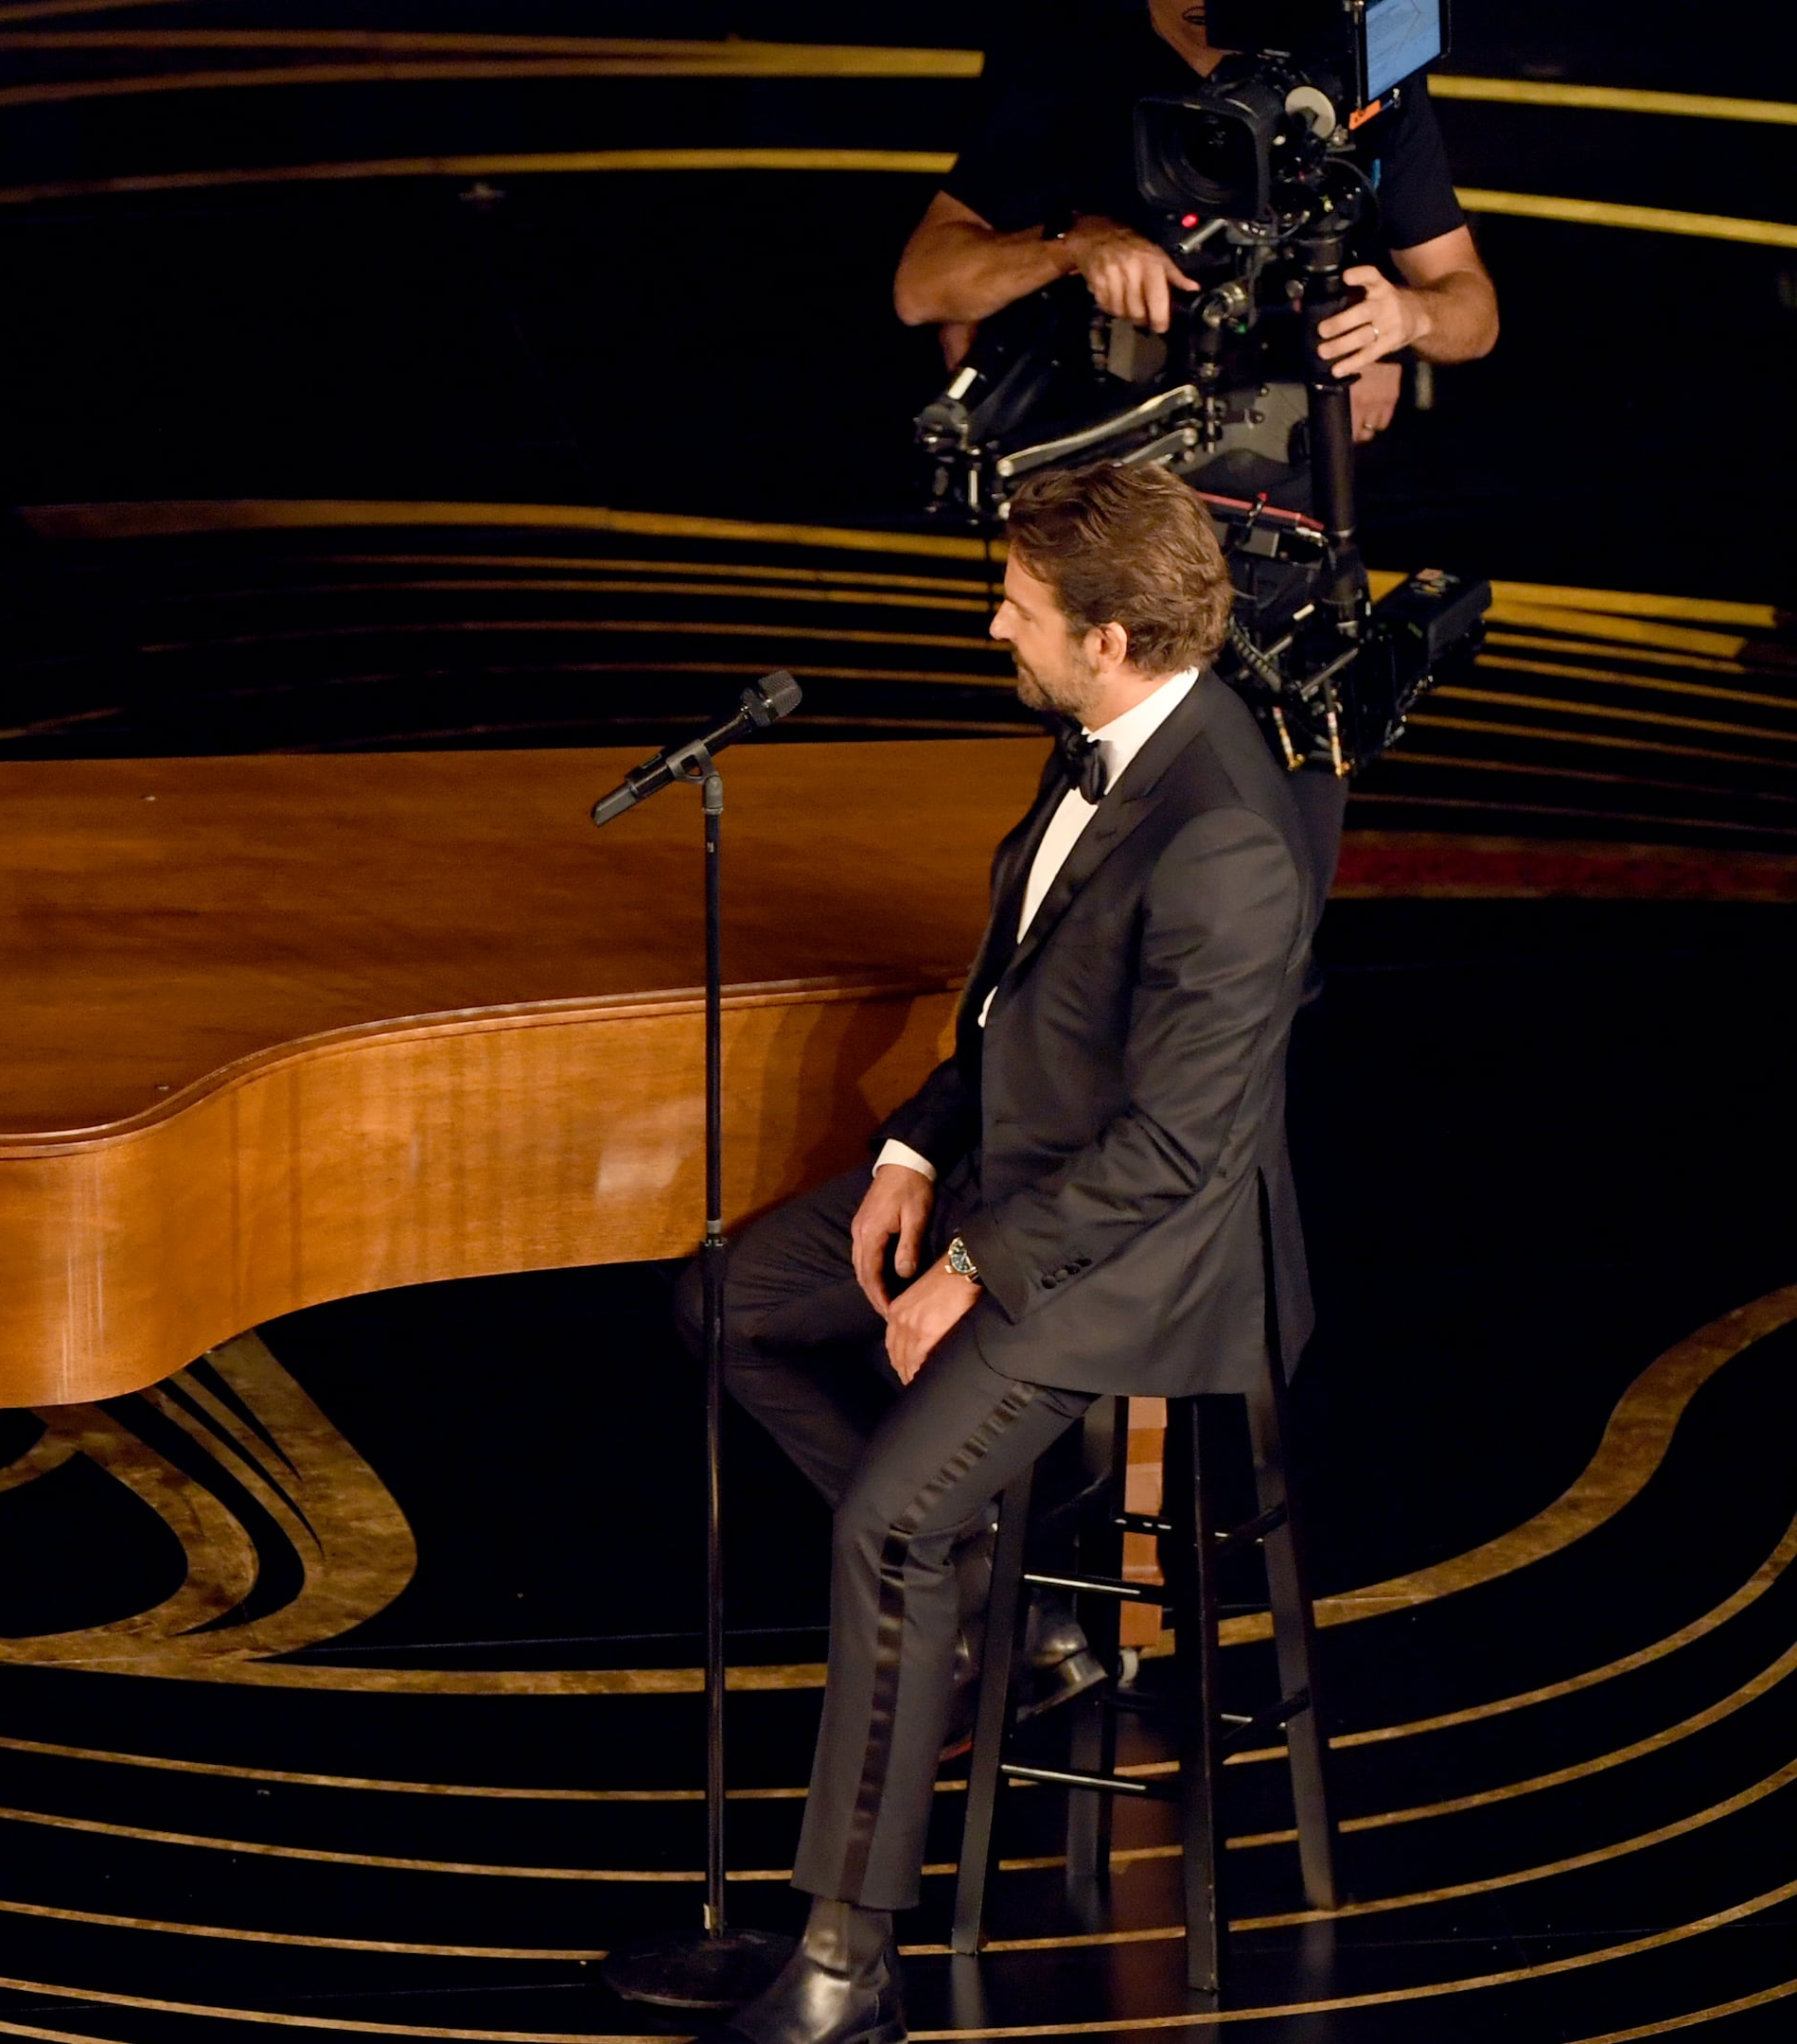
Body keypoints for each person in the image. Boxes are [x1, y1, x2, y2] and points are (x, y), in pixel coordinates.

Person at [688, 467, 1315, 2044]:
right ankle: (1001, 1620)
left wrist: (976, 1267)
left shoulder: (1226, 836)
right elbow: (1018, 1002)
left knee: (891, 1525)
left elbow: (1176, 1150)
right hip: (1012, 1176)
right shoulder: (1106, 744)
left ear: (1109, 635)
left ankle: (845, 1958)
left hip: (1132, 1256)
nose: (994, 629)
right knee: (731, 1306)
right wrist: (910, 1151)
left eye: (1019, 614)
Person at [892, 0, 1498, 442]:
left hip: (1294, 431)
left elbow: (1474, 312)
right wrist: (1076, 245)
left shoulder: (1353, 66)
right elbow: (922, 288)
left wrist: (1404, 320)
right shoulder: (1068, 57)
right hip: (1109, 428)